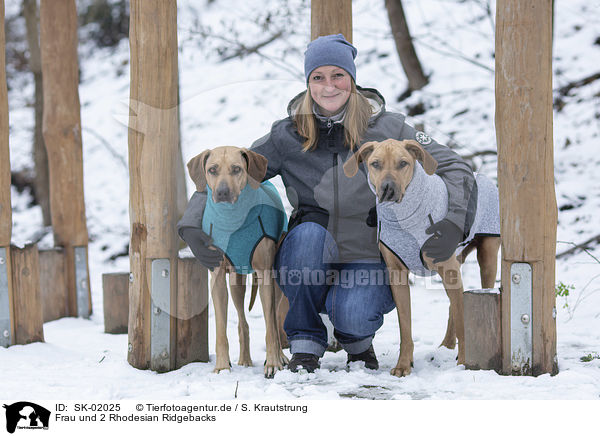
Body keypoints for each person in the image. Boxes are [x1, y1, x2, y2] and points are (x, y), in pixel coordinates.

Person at [178, 34, 477, 373]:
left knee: (353, 312)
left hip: (370, 252)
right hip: (310, 248)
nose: (328, 86)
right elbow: (229, 170)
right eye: (318, 77)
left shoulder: (390, 127)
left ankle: (357, 342)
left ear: (352, 80)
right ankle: (305, 343)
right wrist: (191, 221)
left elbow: (454, 166)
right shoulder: (285, 135)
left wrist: (453, 221)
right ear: (308, 84)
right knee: (305, 239)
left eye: (338, 75)